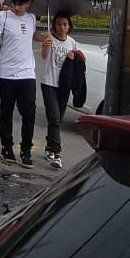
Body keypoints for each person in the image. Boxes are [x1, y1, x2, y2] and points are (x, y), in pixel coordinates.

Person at [0, 0, 38, 168]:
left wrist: (46, 38)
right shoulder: (3, 17)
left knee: (29, 112)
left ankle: (26, 150)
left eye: (21, 5)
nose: (17, 8)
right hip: (8, 73)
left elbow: (33, 35)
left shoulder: (31, 18)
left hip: (27, 73)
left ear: (28, 5)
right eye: (14, 4)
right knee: (7, 111)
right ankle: (7, 146)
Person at [39, 14, 81, 168]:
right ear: (54, 26)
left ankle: (49, 147)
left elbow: (78, 65)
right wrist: (46, 44)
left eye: (64, 24)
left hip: (64, 86)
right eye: (58, 24)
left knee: (57, 119)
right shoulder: (50, 39)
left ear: (69, 26)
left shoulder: (72, 43)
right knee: (54, 118)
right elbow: (44, 57)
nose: (61, 27)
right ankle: (57, 154)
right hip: (49, 83)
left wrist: (73, 58)